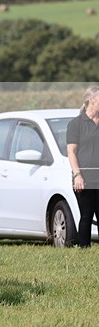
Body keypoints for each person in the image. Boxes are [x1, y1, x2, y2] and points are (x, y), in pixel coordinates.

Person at [67, 85, 99, 248]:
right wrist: (77, 175)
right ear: (92, 100)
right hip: (84, 177)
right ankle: (84, 248)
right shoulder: (76, 124)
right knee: (86, 215)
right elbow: (71, 152)